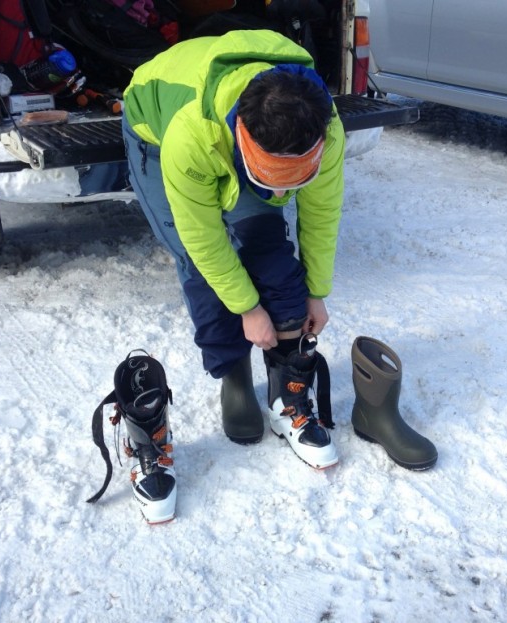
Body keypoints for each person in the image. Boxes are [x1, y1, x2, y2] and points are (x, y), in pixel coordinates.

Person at [120, 29, 345, 523]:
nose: (282, 192)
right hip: (154, 126)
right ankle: (234, 376)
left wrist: (317, 293)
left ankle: (284, 390)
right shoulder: (190, 136)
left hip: (233, 132)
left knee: (268, 245)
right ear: (245, 139)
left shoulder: (323, 125)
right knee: (195, 262)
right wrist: (247, 308)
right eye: (269, 179)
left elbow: (321, 212)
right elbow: (204, 241)